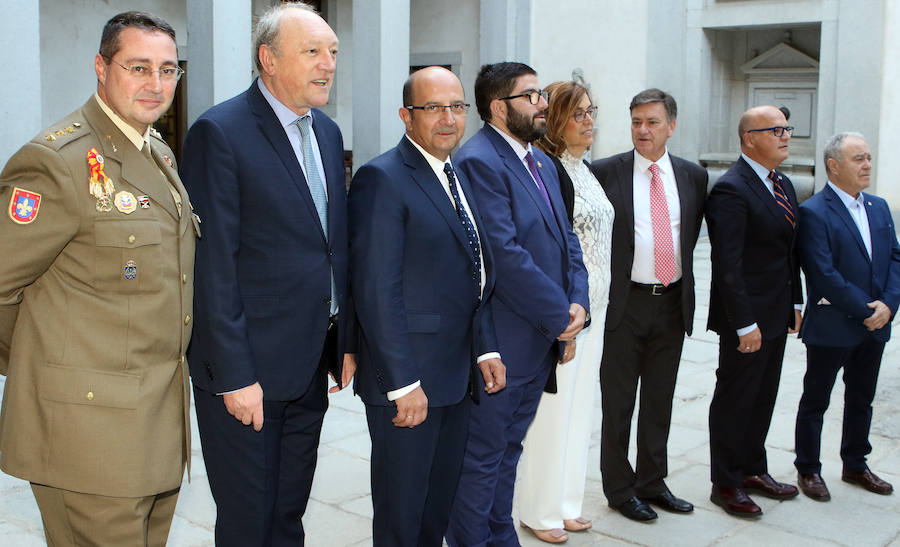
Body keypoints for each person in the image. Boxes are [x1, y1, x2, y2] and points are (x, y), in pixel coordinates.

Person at [0, 11, 194, 545]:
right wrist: (41, 359)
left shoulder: (156, 152)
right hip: (87, 438)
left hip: (153, 425)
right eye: (138, 67)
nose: (156, 84)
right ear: (101, 68)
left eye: (168, 70)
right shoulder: (57, 163)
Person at [179, 4, 353, 545]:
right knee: (248, 521)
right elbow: (212, 267)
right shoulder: (220, 132)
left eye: (333, 53)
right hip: (247, 372)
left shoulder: (324, 131)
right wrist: (234, 375)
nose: (328, 64)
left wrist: (343, 338)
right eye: (312, 52)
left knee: (287, 515)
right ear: (268, 60)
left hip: (309, 365)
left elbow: (330, 245)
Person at [349, 66, 507, 547]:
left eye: (456, 107)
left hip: (454, 377)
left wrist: (484, 349)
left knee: (435, 511)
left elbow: (470, 271)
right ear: (405, 116)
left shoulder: (452, 173)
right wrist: (402, 383)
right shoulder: (383, 178)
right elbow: (376, 289)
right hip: (410, 383)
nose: (448, 118)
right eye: (433, 107)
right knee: (402, 518)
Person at [446, 62, 590, 547]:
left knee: (509, 449)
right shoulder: (479, 161)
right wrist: (560, 317)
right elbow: (503, 256)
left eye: (540, 96)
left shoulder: (542, 161)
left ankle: (499, 534)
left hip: (540, 338)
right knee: (482, 458)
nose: (543, 105)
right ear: (497, 107)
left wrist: (578, 303)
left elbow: (568, 239)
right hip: (504, 340)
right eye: (531, 97)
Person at [589, 88, 707, 522]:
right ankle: (620, 489)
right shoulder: (604, 172)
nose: (643, 130)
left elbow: (689, 238)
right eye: (636, 121)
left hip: (672, 303)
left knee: (660, 399)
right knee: (618, 404)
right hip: (624, 306)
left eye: (652, 122)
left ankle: (652, 482)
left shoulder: (693, 177)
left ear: (671, 126)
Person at [516, 80, 613, 543]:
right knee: (551, 415)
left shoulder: (585, 168)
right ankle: (539, 510)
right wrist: (563, 320)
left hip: (598, 309)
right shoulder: (549, 170)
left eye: (591, 111)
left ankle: (568, 502)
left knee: (579, 412)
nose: (589, 120)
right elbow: (548, 250)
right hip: (566, 314)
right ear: (554, 120)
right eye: (578, 114)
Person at [706, 105, 803, 518]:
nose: (785, 136)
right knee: (736, 397)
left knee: (763, 395)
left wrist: (795, 302)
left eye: (786, 129)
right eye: (775, 130)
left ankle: (752, 469)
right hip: (745, 319)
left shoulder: (782, 184)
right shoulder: (732, 189)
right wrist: (745, 322)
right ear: (750, 139)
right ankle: (725, 482)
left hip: (778, 311)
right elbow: (727, 265)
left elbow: (789, 252)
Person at [794, 132, 899, 500]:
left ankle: (856, 463)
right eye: (859, 158)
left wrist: (888, 305)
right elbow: (823, 274)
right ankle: (808, 468)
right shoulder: (814, 212)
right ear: (834, 166)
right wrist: (866, 310)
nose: (867, 164)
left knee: (861, 398)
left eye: (868, 157)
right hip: (834, 325)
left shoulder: (880, 207)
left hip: (876, 326)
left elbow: (895, 259)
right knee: (816, 400)